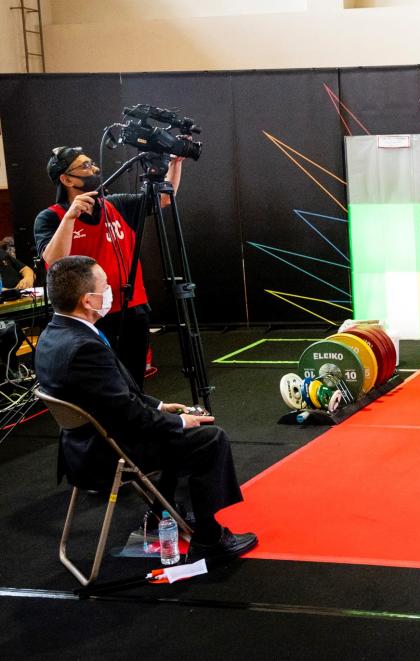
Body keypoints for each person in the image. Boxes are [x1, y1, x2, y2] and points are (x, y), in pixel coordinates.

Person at [37, 256, 257, 562]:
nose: (111, 291)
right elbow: (126, 414)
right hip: (105, 453)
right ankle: (209, 538)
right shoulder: (84, 345)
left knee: (178, 426)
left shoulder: (52, 334)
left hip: (84, 445)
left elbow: (109, 398)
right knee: (209, 438)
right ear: (88, 300)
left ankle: (163, 512)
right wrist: (177, 422)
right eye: (106, 286)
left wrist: (161, 406)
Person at [35, 146, 184, 387]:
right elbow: (53, 259)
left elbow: (164, 199)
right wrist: (70, 218)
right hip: (90, 315)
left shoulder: (116, 205)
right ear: (66, 179)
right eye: (84, 166)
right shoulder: (51, 217)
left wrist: (175, 165)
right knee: (102, 383)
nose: (94, 169)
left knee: (133, 381)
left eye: (92, 163)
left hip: (132, 308)